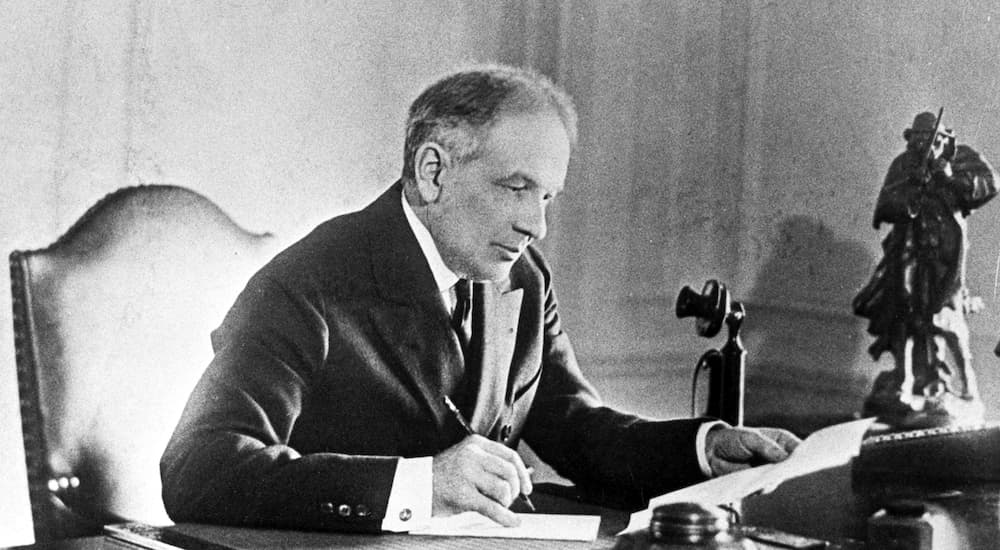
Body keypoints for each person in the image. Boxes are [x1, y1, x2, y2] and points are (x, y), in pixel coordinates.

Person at [160, 64, 799, 534]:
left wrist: (700, 448)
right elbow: (200, 467)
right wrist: (422, 484)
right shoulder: (308, 284)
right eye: (515, 188)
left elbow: (574, 425)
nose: (536, 225)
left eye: (547, 197)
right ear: (432, 171)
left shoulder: (525, 278)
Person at [853, 111, 998, 426]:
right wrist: (910, 194)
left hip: (946, 255)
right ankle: (906, 382)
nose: (924, 146)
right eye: (917, 140)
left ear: (944, 139)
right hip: (909, 251)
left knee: (947, 318)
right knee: (904, 316)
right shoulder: (904, 165)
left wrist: (949, 177)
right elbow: (885, 208)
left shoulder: (962, 158)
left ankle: (968, 387)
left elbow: (989, 185)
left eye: (930, 140)